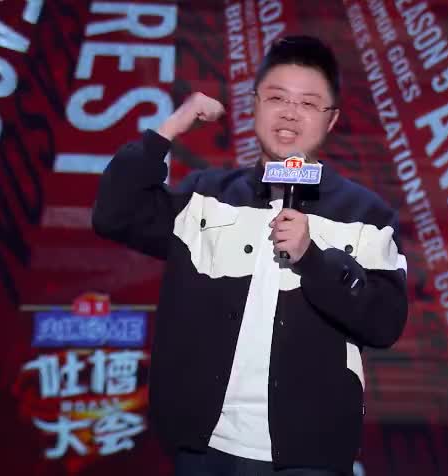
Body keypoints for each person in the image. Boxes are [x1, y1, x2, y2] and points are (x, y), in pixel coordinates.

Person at [92, 35, 408, 476]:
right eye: (277, 97)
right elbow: (114, 214)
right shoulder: (205, 195)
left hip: (308, 455)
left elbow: (385, 322)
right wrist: (170, 128)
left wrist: (314, 259)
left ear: (332, 119)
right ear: (254, 105)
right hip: (203, 448)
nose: (290, 113)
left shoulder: (368, 216)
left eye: (309, 103)